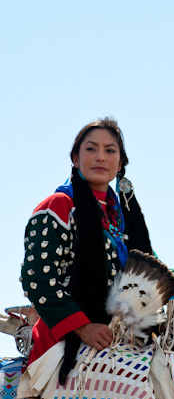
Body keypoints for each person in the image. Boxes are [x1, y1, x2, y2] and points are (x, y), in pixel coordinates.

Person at [20, 116, 155, 377]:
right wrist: (82, 327)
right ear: (75, 158)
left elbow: (150, 266)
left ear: (120, 163)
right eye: (91, 148)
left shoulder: (123, 218)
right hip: (65, 342)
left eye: (110, 150)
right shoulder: (58, 206)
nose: (100, 157)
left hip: (122, 341)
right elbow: (38, 278)